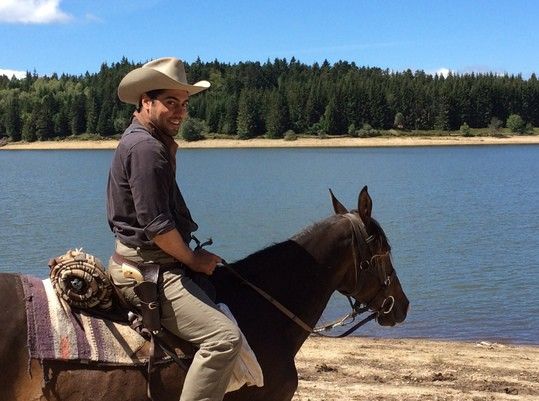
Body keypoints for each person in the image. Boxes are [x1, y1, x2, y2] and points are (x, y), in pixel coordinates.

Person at [107, 57, 242, 401]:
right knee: (224, 339)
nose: (180, 112)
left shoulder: (150, 141)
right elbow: (158, 228)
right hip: (148, 269)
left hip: (148, 260)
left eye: (183, 104)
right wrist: (194, 261)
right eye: (170, 102)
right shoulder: (146, 149)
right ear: (145, 102)